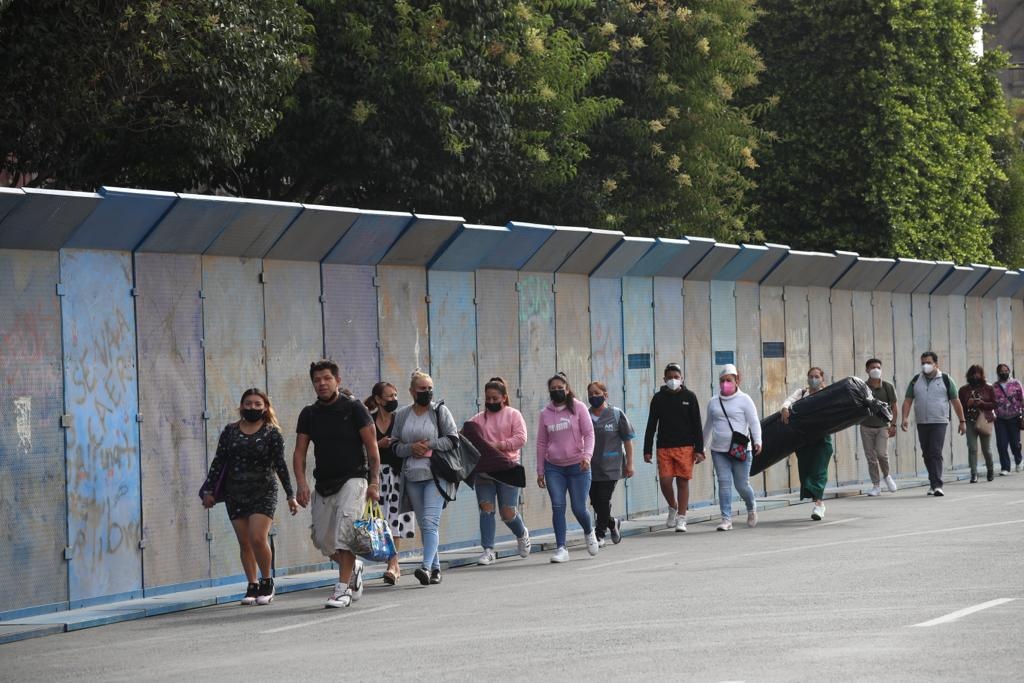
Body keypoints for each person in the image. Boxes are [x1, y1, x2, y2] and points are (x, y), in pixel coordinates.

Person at [294, 360, 381, 609]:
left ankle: (342, 590)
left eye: (326, 378)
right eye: (317, 380)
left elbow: (372, 449)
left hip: (353, 479)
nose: (321, 383)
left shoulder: (354, 409)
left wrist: (374, 483)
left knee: (345, 536)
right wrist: (301, 484)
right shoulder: (309, 414)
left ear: (337, 381)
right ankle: (353, 567)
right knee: (323, 539)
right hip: (324, 482)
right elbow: (299, 453)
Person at [202, 388, 297, 606]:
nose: (252, 407)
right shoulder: (230, 431)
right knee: (244, 542)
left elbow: (280, 465)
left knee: (257, 538)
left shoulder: (272, 433)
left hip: (264, 490)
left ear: (265, 408)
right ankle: (252, 584)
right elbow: (219, 461)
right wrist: (209, 490)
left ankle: (267, 581)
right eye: (248, 403)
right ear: (241, 406)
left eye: (257, 404)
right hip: (235, 491)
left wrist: (290, 495)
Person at [392, 370, 459, 585]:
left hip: (436, 475)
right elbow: (394, 445)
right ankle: (436, 568)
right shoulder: (402, 415)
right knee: (424, 523)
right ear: (412, 391)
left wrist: (429, 445)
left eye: (430, 389)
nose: (427, 392)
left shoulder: (440, 411)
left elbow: (452, 439)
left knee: (430, 523)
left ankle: (426, 567)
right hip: (412, 475)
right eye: (422, 389)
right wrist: (411, 448)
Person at [467, 377, 531, 565]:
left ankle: (521, 533)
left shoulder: (513, 414)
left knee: (507, 512)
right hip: (485, 471)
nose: (491, 402)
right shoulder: (478, 420)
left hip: (508, 468)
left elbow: (521, 438)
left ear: (504, 398)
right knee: (486, 509)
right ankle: (488, 550)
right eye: (488, 399)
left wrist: (499, 445)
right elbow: (467, 435)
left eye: (495, 398)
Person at [537, 373, 598, 562]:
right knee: (557, 505)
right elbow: (541, 442)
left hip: (578, 466)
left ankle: (589, 531)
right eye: (553, 389)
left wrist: (587, 456)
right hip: (554, 467)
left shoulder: (578, 408)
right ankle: (561, 548)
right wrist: (540, 470)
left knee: (579, 508)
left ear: (567, 389)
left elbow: (589, 434)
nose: (557, 391)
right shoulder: (545, 414)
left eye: (560, 388)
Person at [643, 363, 705, 532]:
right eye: (669, 377)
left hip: (686, 447)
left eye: (676, 377)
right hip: (664, 447)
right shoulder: (658, 398)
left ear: (682, 378)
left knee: (683, 482)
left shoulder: (690, 397)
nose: (673, 380)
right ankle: (673, 506)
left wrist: (699, 449)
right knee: (665, 481)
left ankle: (682, 518)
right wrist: (647, 449)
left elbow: (697, 425)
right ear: (664, 379)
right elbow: (651, 425)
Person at [702, 365, 762, 531]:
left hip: (740, 450)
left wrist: (758, 440)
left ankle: (751, 507)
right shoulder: (713, 402)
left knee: (741, 485)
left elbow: (754, 422)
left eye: (729, 380)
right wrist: (702, 447)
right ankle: (726, 519)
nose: (725, 384)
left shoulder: (745, 400)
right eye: (722, 381)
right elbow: (708, 426)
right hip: (719, 451)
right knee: (724, 483)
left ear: (737, 381)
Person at [364, 381, 412, 584]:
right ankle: (394, 564)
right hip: (376, 477)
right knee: (378, 520)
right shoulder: (368, 420)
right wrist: (378, 444)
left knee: (395, 519)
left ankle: (393, 564)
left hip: (398, 475)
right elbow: (360, 447)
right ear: (378, 400)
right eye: (389, 396)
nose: (393, 399)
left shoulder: (400, 419)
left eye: (395, 395)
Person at [900, 352, 966, 497]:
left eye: (928, 362)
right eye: (923, 362)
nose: (925, 365)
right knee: (926, 453)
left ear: (936, 363)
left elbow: (956, 401)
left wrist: (962, 421)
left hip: (939, 421)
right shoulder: (916, 380)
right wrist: (904, 418)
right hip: (922, 422)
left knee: (935, 451)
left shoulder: (945, 379)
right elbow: (908, 400)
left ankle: (937, 485)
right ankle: (932, 483)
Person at [586, 381, 635, 546]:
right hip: (590, 466)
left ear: (605, 395)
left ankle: (599, 534)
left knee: (603, 498)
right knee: (595, 501)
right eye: (591, 394)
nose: (594, 396)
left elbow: (628, 440)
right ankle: (612, 522)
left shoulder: (615, 413)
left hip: (611, 465)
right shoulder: (585, 415)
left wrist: (630, 464)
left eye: (597, 393)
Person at [782, 367, 833, 520]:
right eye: (811, 376)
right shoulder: (802, 393)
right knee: (806, 472)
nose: (813, 379)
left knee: (818, 472)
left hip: (822, 440)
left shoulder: (829, 393)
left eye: (816, 376)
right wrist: (785, 408)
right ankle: (818, 502)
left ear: (822, 378)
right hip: (804, 440)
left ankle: (818, 505)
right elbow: (788, 401)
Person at [860, 359, 899, 496]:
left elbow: (894, 406)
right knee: (870, 457)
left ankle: (887, 476)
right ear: (867, 370)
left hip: (883, 426)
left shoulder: (888, 386)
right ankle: (876, 485)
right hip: (866, 426)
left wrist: (893, 424)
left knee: (882, 454)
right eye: (872, 367)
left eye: (878, 367)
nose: (875, 369)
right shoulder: (862, 387)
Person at [959, 365, 996, 483]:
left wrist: (982, 403)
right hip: (970, 421)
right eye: (972, 374)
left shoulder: (989, 388)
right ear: (968, 375)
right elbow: (959, 407)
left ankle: (990, 469)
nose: (975, 376)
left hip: (984, 420)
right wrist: (967, 403)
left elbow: (995, 404)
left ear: (982, 375)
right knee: (972, 448)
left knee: (986, 449)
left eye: (977, 374)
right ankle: (973, 474)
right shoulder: (963, 390)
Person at [992, 363, 1024, 475]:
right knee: (1001, 443)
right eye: (1001, 370)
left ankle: (1019, 460)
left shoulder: (1016, 383)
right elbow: (992, 402)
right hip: (1000, 419)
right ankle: (1005, 467)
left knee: (1015, 443)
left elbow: (1022, 399)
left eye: (1006, 370)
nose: (1004, 372)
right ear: (998, 373)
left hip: (1014, 417)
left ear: (1009, 371)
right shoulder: (995, 386)